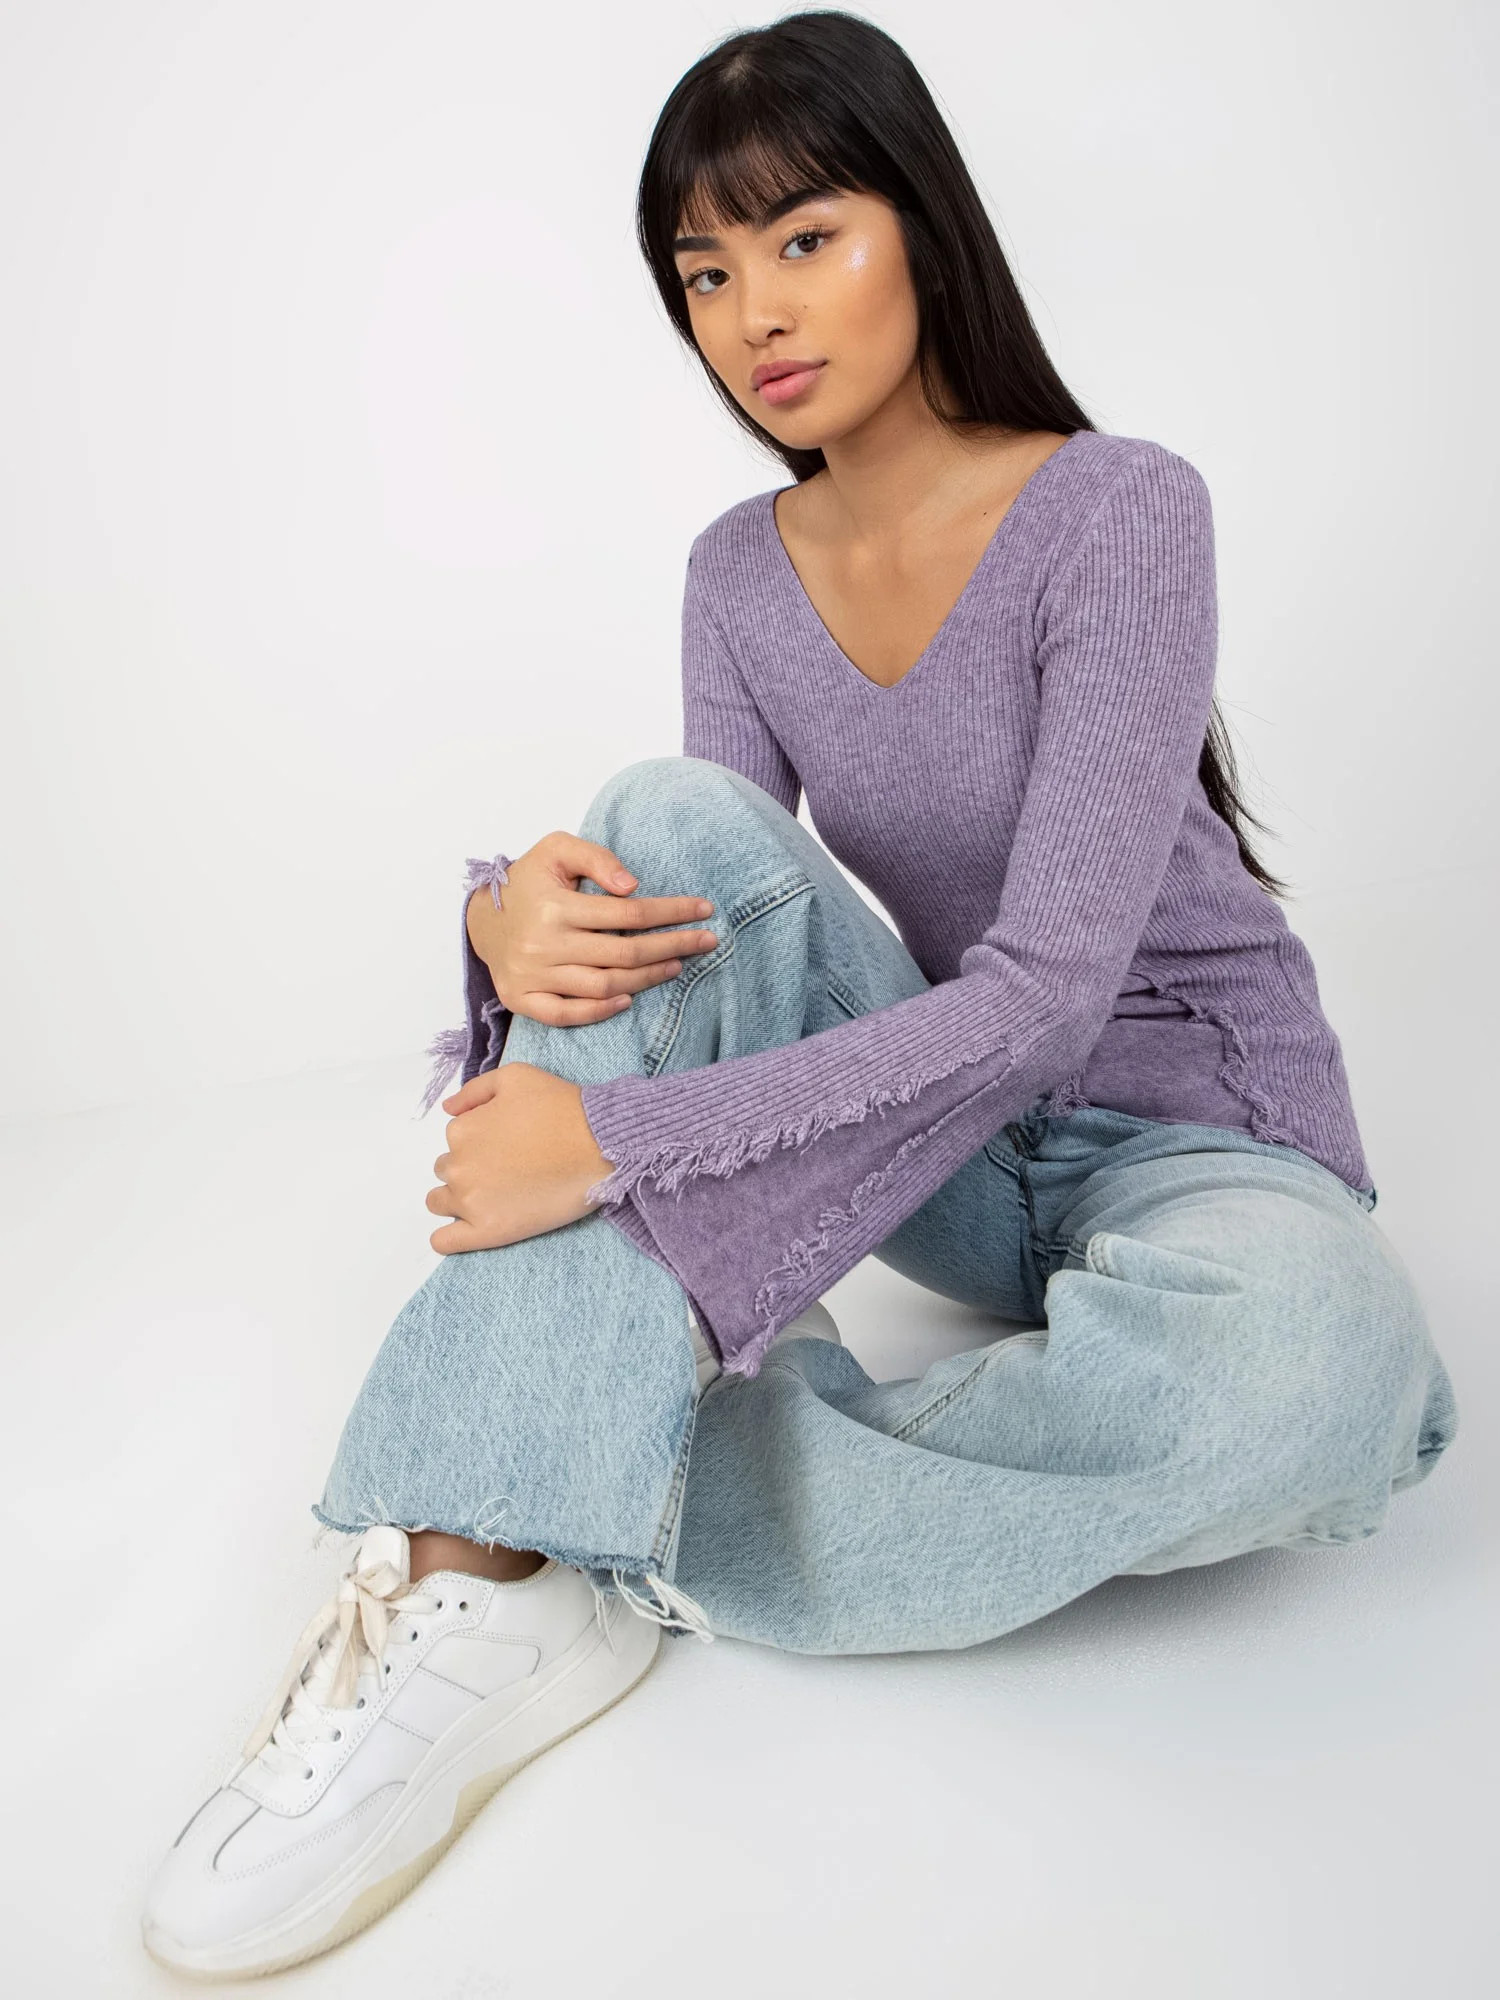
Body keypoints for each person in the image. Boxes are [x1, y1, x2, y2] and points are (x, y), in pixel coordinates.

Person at [141, 9, 1458, 1979]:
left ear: (923, 225)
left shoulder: (1120, 509)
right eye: (703, 271)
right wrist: (499, 932)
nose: (750, 310)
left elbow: (1045, 998)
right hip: (939, 1149)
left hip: (1200, 1146)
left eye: (803, 238)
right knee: (654, 812)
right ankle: (482, 1578)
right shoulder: (737, 573)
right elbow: (708, 918)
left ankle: (610, 1491)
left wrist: (611, 1142)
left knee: (1319, 1371)